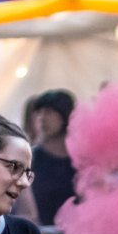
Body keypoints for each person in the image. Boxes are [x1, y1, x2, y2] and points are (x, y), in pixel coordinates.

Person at [28, 89, 78, 226]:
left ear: (65, 115)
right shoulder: (32, 157)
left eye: (49, 112)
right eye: (40, 112)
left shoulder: (79, 160)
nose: (43, 118)